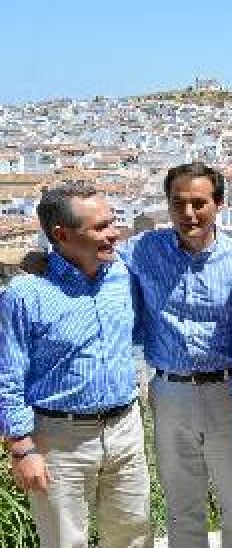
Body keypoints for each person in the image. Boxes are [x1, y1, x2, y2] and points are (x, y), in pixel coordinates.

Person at [0, 182, 154, 548]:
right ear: (62, 235)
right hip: (59, 440)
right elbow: (8, 374)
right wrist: (22, 449)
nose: (113, 233)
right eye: (100, 227)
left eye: (113, 222)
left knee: (134, 535)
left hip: (125, 430)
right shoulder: (27, 294)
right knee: (64, 541)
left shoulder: (122, 274)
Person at [122, 163, 232, 548]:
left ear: (219, 204)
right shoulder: (143, 250)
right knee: (182, 508)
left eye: (199, 203)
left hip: (229, 392)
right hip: (170, 393)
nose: (188, 214)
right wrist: (41, 262)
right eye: (178, 203)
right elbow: (93, 256)